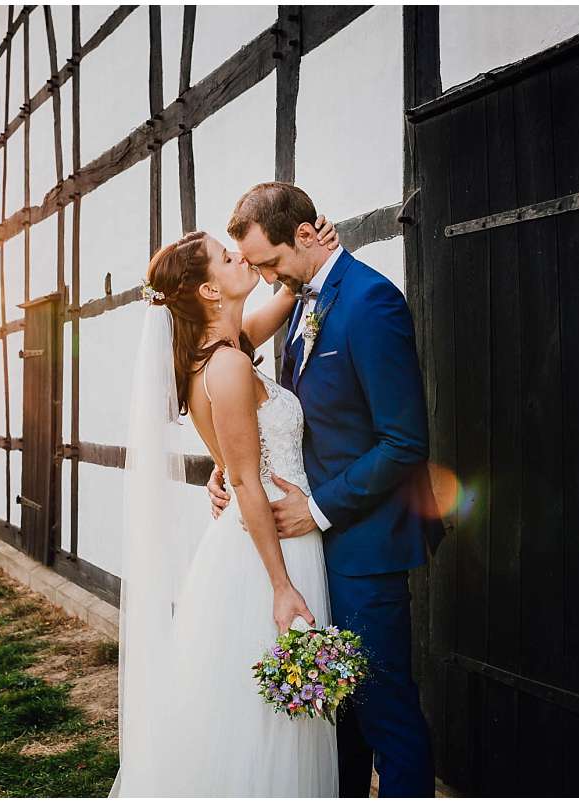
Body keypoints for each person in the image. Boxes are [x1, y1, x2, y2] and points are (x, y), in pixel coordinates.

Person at [211, 182, 439, 797]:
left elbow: (403, 442)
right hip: (314, 552)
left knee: (385, 711)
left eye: (269, 262)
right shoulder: (302, 301)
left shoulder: (370, 305)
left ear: (307, 235)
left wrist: (316, 508)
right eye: (252, 265)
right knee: (338, 717)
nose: (261, 277)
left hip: (366, 546)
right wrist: (234, 467)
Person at [111, 215, 341, 797]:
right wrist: (282, 586)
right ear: (210, 289)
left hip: (261, 541)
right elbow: (245, 482)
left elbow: (281, 299)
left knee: (252, 710)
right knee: (266, 716)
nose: (242, 256)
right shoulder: (230, 365)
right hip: (267, 554)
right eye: (228, 255)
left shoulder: (226, 348)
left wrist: (309, 255)